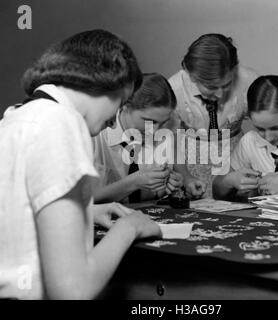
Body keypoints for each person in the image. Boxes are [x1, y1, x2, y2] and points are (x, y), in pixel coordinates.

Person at [0, 29, 161, 300]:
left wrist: (86, 211)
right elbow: (74, 290)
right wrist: (130, 227)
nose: (111, 120)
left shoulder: (16, 118)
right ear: (108, 82)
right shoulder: (61, 122)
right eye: (120, 103)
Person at [169, 33, 258, 198]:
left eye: (226, 85)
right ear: (193, 77)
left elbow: (263, 129)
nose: (219, 94)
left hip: (234, 158)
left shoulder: (249, 81)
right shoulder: (174, 89)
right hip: (189, 161)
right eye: (211, 87)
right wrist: (186, 178)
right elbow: (170, 142)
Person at [93, 73, 184, 204]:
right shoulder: (96, 134)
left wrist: (168, 186)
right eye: (149, 121)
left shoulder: (164, 136)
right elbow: (82, 202)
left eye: (162, 123)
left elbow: (154, 197)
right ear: (125, 106)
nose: (154, 130)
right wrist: (133, 183)